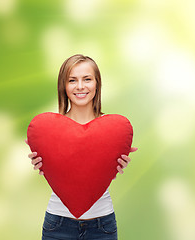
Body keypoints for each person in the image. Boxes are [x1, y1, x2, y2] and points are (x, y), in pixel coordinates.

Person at [26, 54, 138, 239]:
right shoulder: (49, 130)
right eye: (72, 80)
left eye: (87, 79)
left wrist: (117, 161)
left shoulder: (113, 129)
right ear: (64, 85)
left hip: (102, 225)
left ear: (97, 84)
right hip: (57, 224)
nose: (80, 86)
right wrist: (43, 162)